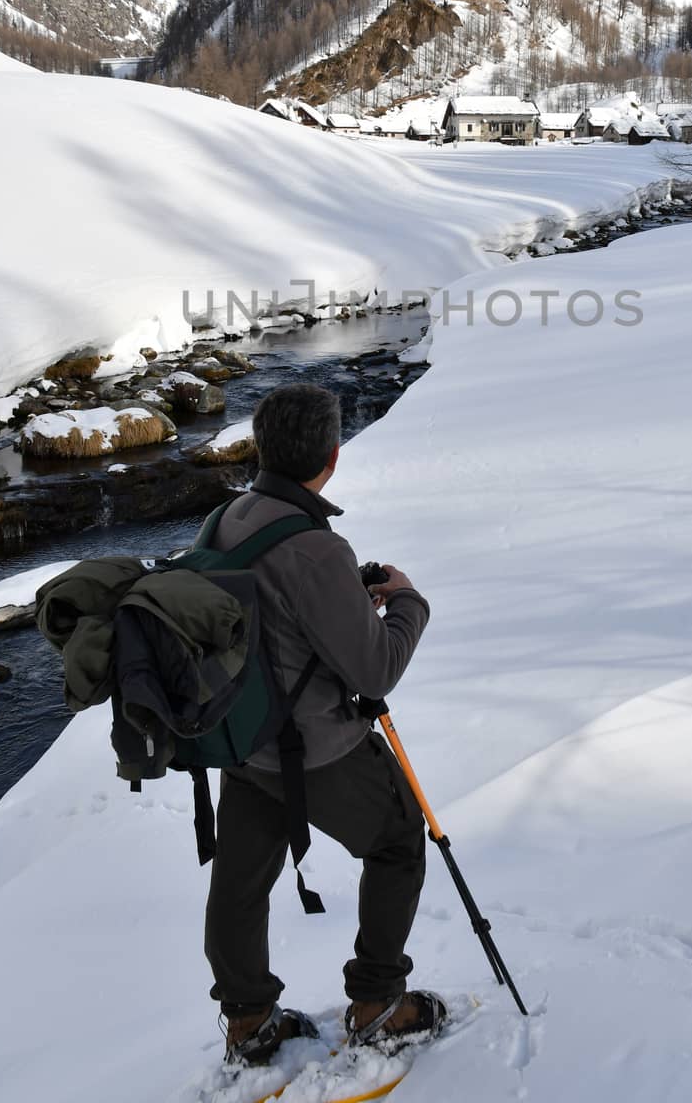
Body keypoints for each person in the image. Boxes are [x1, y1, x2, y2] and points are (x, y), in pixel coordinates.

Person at [204, 381, 445, 1066]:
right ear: (331, 457)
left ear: (262, 449)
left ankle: (248, 1022)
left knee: (241, 879)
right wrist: (405, 603)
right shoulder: (315, 549)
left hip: (242, 739)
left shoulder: (225, 520)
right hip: (315, 751)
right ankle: (377, 1004)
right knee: (397, 840)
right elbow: (373, 672)